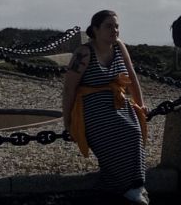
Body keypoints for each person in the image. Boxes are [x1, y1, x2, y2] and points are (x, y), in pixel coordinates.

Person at [63, 10, 151, 204]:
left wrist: (140, 104)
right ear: (95, 30)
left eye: (116, 26)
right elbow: (69, 88)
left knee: (134, 133)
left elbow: (132, 78)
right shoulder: (84, 53)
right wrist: (68, 121)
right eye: (109, 26)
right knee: (116, 135)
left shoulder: (119, 47)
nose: (115, 30)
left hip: (118, 103)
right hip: (92, 109)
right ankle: (125, 186)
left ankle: (135, 184)